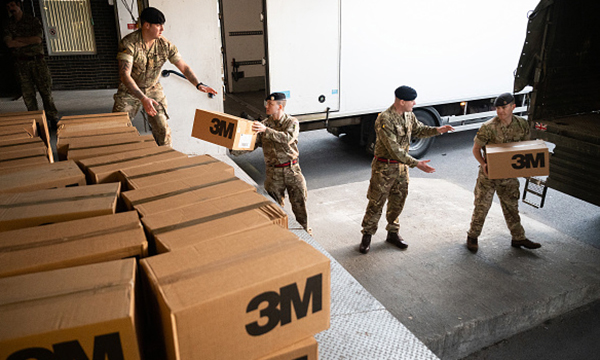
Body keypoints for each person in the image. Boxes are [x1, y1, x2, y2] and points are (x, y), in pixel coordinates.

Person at [359, 86, 454, 254]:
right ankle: (367, 236)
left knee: (398, 201)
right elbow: (394, 149)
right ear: (402, 101)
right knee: (376, 203)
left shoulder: (409, 114)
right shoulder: (385, 119)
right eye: (412, 100)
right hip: (384, 168)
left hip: (402, 169)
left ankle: (393, 234)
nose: (415, 103)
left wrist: (437, 130)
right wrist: (417, 164)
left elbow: (418, 129)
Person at [113, 7, 217, 146]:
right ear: (146, 25)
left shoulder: (165, 44)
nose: (162, 29)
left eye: (163, 25)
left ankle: (167, 160)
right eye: (158, 25)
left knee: (163, 129)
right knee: (117, 129)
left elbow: (184, 67)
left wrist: (198, 84)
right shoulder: (129, 44)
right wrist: (143, 98)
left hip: (153, 89)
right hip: (130, 91)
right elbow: (125, 75)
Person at [466, 92, 541, 252]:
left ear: (513, 107)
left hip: (508, 175)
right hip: (489, 175)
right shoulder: (488, 127)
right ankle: (472, 236)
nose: (500, 111)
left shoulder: (522, 124)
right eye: (498, 108)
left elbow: (526, 147)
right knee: (481, 207)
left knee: (511, 207)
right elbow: (476, 149)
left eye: (504, 107)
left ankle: (518, 238)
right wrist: (483, 163)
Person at [231, 92, 310, 234]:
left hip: (292, 171)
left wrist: (265, 130)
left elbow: (288, 138)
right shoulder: (264, 125)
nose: (266, 106)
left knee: (300, 209)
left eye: (270, 104)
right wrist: (233, 148)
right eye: (266, 103)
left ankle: (306, 235)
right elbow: (254, 144)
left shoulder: (291, 122)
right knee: (275, 211)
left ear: (280, 106)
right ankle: (280, 236)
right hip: (273, 174)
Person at [3, 0, 58, 127]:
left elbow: (37, 39)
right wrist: (28, 41)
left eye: (12, 5)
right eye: (8, 6)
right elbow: (9, 43)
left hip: (37, 61)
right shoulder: (8, 25)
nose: (11, 8)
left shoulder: (32, 21)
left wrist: (18, 39)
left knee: (46, 92)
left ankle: (53, 118)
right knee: (28, 95)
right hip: (21, 64)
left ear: (19, 5)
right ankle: (36, 121)